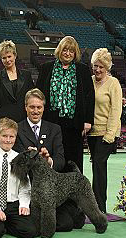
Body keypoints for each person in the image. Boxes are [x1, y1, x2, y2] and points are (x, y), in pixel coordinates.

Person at [14, 88, 86, 232]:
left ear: (43, 108)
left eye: (39, 107)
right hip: (27, 188)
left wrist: (49, 161)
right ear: (25, 107)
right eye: (32, 107)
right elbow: (17, 161)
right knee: (32, 227)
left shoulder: (54, 129)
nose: (35, 111)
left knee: (65, 225)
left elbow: (61, 159)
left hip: (51, 191)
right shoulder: (17, 129)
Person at [36, 36, 95, 173]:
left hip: (74, 123)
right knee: (52, 156)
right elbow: (38, 94)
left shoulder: (82, 70)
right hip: (51, 122)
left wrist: (88, 120)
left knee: (73, 160)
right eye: (65, 50)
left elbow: (89, 97)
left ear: (75, 54)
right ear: (59, 50)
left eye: (71, 51)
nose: (68, 53)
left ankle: (75, 191)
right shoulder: (46, 68)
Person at [0, 117, 37, 238]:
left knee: (30, 232)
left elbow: (24, 186)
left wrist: (24, 204)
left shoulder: (19, 158)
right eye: (5, 136)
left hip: (14, 204)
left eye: (12, 137)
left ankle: (5, 224)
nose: (8, 140)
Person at [87, 48, 122, 213]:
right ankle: (96, 205)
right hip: (91, 133)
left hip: (106, 133)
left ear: (107, 67)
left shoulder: (113, 83)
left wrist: (109, 135)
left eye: (101, 66)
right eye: (95, 66)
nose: (98, 69)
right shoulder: (89, 80)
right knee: (96, 167)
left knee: (99, 167)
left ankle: (100, 209)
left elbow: (116, 110)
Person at [0, 40, 34, 134]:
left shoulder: (26, 75)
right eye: (4, 58)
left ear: (15, 55)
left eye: (9, 56)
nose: (7, 60)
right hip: (4, 123)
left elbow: (32, 99)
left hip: (24, 122)